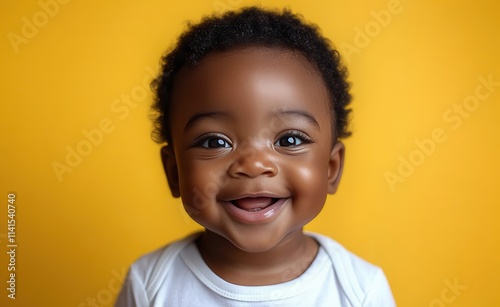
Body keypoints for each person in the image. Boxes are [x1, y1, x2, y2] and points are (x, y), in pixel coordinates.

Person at [116, 6, 396, 306]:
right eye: (214, 142)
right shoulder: (149, 283)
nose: (253, 165)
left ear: (331, 168)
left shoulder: (360, 290)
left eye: (289, 139)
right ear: (174, 173)